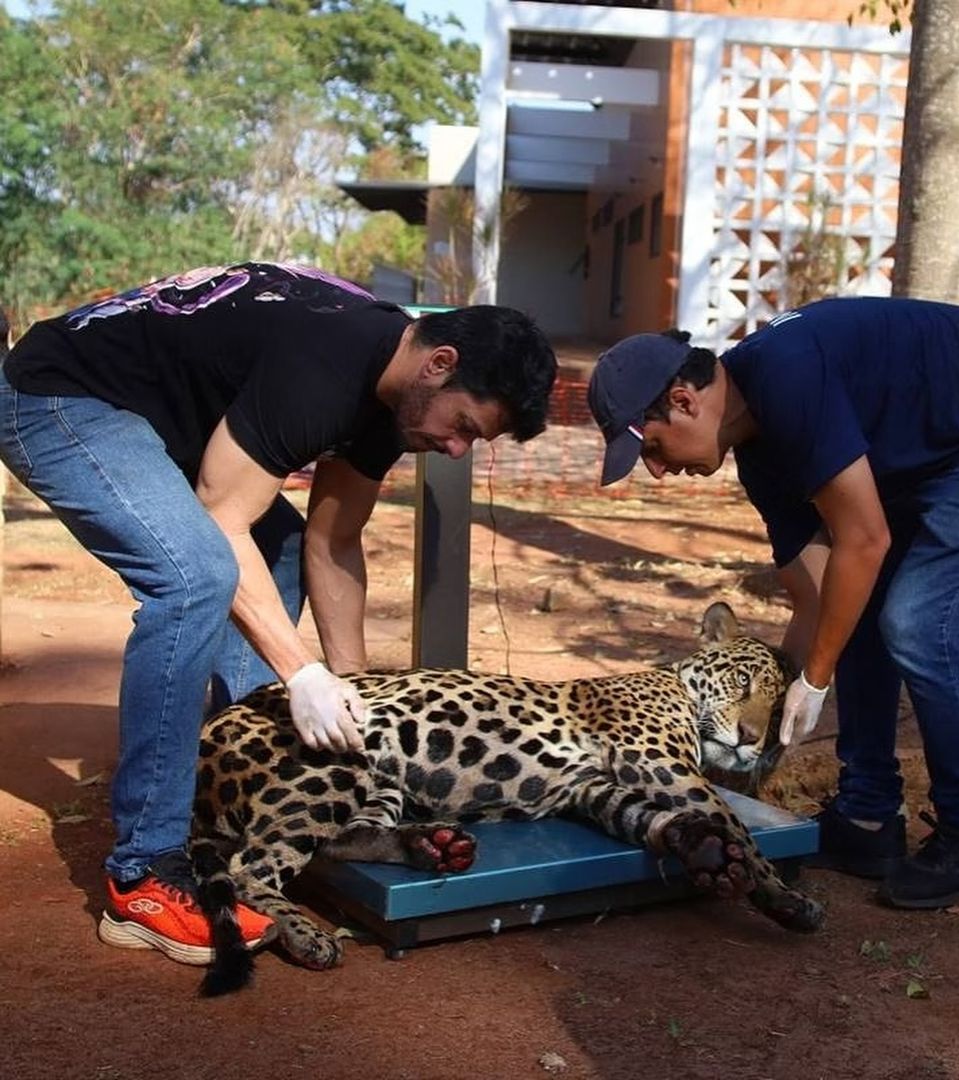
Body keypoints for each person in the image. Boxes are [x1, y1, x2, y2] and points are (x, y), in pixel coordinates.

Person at [0, 261, 556, 964]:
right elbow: (223, 521)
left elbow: (333, 542)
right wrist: (303, 674)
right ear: (438, 365)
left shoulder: (395, 399)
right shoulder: (323, 367)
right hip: (61, 396)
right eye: (464, 427)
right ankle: (143, 874)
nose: (454, 448)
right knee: (194, 577)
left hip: (161, 422)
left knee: (285, 548)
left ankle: (248, 784)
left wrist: (360, 702)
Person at [587, 296, 959, 910]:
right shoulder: (762, 459)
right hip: (937, 448)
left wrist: (816, 680)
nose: (657, 473)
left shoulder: (788, 377)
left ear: (684, 402)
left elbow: (865, 540)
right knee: (859, 609)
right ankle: (868, 818)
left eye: (653, 449)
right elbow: (819, 600)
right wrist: (762, 716)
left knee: (919, 624)